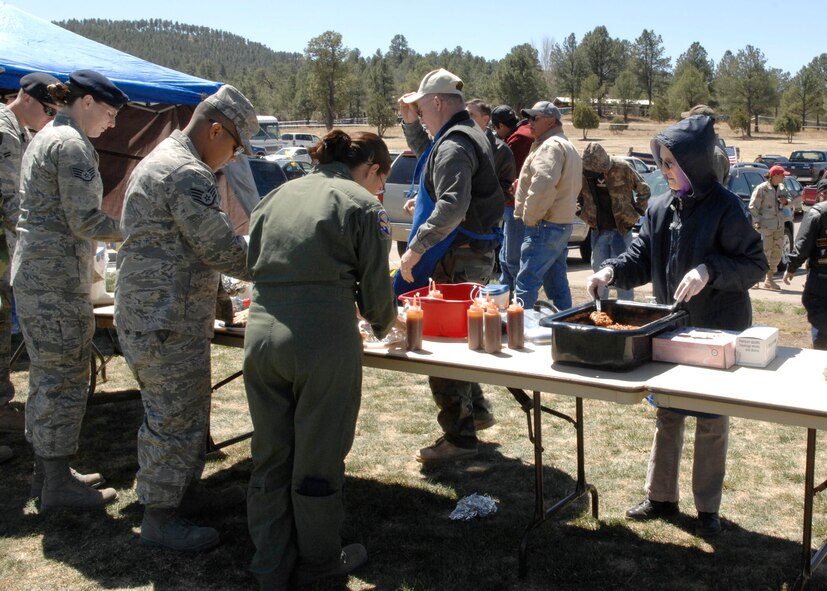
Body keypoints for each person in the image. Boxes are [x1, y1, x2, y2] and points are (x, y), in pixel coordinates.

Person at [587, 114, 767, 536]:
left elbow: (755, 264)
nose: (664, 171)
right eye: (662, 162)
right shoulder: (659, 206)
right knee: (667, 411)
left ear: (694, 165)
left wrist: (709, 271)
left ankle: (708, 509)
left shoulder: (726, 207)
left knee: (711, 419)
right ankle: (660, 497)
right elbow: (639, 257)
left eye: (671, 164)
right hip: (671, 328)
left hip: (719, 330)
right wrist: (610, 272)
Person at [244, 130, 396, 589]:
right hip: (321, 340)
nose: (380, 189)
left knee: (270, 454)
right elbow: (375, 296)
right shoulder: (362, 205)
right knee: (318, 457)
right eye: (381, 179)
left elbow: (253, 263)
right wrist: (387, 324)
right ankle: (321, 566)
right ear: (371, 168)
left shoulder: (274, 197)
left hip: (261, 333)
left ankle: (270, 566)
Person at [115, 84, 257, 551]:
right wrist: (285, 253)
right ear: (215, 129)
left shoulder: (168, 159)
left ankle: (185, 493)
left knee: (187, 410)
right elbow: (220, 249)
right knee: (172, 417)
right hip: (164, 317)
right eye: (234, 145)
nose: (234, 157)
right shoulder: (185, 173)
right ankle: (160, 518)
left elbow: (192, 251)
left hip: (163, 313)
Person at [12, 70, 127, 511]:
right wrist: (139, 228)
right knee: (63, 378)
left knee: (47, 376)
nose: (113, 124)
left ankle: (48, 472)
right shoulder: (71, 144)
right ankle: (57, 485)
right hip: (54, 281)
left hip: (43, 276)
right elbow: (86, 221)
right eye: (111, 113)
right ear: (87, 103)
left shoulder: (48, 135)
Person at [396, 68, 504, 463]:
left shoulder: (456, 145)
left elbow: (452, 206)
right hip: (468, 253)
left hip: (454, 254)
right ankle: (476, 411)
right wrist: (410, 126)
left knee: (442, 344)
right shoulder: (466, 133)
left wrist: (416, 248)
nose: (420, 114)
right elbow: (431, 153)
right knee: (460, 339)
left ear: (438, 103)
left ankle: (459, 439)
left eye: (422, 108)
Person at [0, 71, 61, 436]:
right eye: (49, 111)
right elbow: (11, 203)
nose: (51, 120)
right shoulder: (5, 132)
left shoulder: (19, 130)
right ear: (27, 99)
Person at [513, 100, 582, 310]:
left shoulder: (550, 146)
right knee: (557, 282)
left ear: (551, 121)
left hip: (544, 224)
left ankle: (519, 331)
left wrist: (531, 218)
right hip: (561, 224)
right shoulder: (566, 145)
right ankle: (565, 327)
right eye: (528, 118)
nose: (529, 122)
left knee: (526, 282)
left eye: (535, 118)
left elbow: (542, 185)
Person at [578, 142, 650, 300]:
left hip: (622, 230)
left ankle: (627, 309)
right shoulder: (582, 170)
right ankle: (601, 311)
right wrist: (581, 212)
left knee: (624, 274)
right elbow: (575, 193)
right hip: (598, 230)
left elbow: (644, 189)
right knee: (599, 275)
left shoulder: (622, 167)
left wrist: (636, 213)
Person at [491, 105, 534, 292]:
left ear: (500, 126)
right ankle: (505, 301)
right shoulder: (526, 132)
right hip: (520, 205)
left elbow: (509, 174)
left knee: (512, 259)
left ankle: (516, 303)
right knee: (505, 257)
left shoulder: (517, 140)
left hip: (515, 205)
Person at [783, 178, 827, 349]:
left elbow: (803, 244)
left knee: (821, 322)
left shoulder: (818, 212)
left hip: (822, 279)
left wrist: (791, 268)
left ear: (821, 194)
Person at [749, 164, 791, 290]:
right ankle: (755, 279)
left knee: (776, 253)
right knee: (763, 252)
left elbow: (790, 200)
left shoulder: (782, 188)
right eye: (782, 175)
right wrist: (756, 221)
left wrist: (786, 202)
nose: (784, 177)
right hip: (765, 226)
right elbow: (753, 206)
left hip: (778, 225)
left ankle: (769, 279)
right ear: (775, 175)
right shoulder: (762, 189)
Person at [465, 99, 516, 197]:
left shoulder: (502, 150)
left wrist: (486, 203)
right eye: (465, 114)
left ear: (485, 119)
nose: (466, 118)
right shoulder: (460, 142)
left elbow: (508, 186)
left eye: (471, 114)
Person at [681, 105, 730, 185]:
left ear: (700, 124)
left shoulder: (715, 154)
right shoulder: (701, 148)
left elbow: (713, 193)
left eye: (690, 122)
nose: (687, 125)